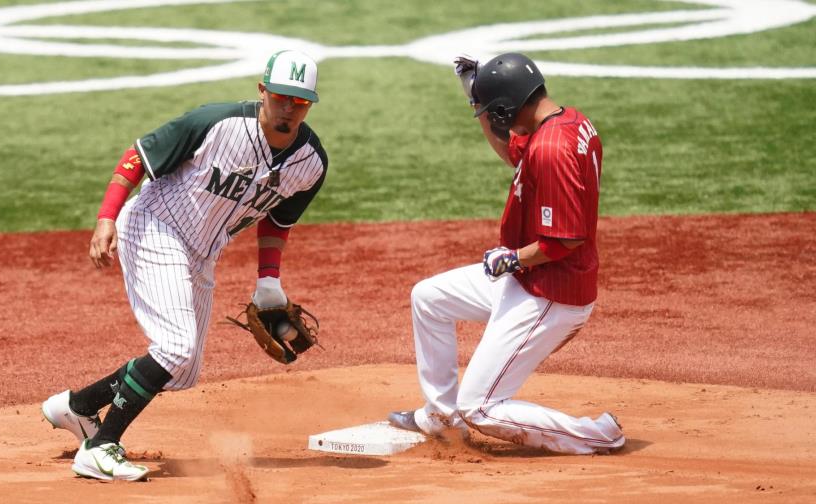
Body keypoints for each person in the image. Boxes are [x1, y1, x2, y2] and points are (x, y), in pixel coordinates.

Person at [41, 49, 329, 481]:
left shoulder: (311, 164)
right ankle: (99, 448)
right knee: (175, 348)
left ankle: (78, 407)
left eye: (300, 101)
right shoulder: (216, 123)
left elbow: (278, 220)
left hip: (202, 252)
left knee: (182, 371)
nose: (288, 108)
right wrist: (105, 218)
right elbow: (137, 156)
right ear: (262, 91)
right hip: (155, 226)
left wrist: (268, 281)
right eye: (280, 97)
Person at [388, 52, 625, 455]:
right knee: (429, 298)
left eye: (492, 112)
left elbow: (565, 239)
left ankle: (596, 433)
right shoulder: (565, 122)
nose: (495, 121)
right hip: (529, 278)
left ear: (507, 107)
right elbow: (512, 151)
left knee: (479, 407)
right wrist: (477, 101)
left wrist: (514, 258)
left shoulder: (552, 148)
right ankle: (441, 418)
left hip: (552, 293)